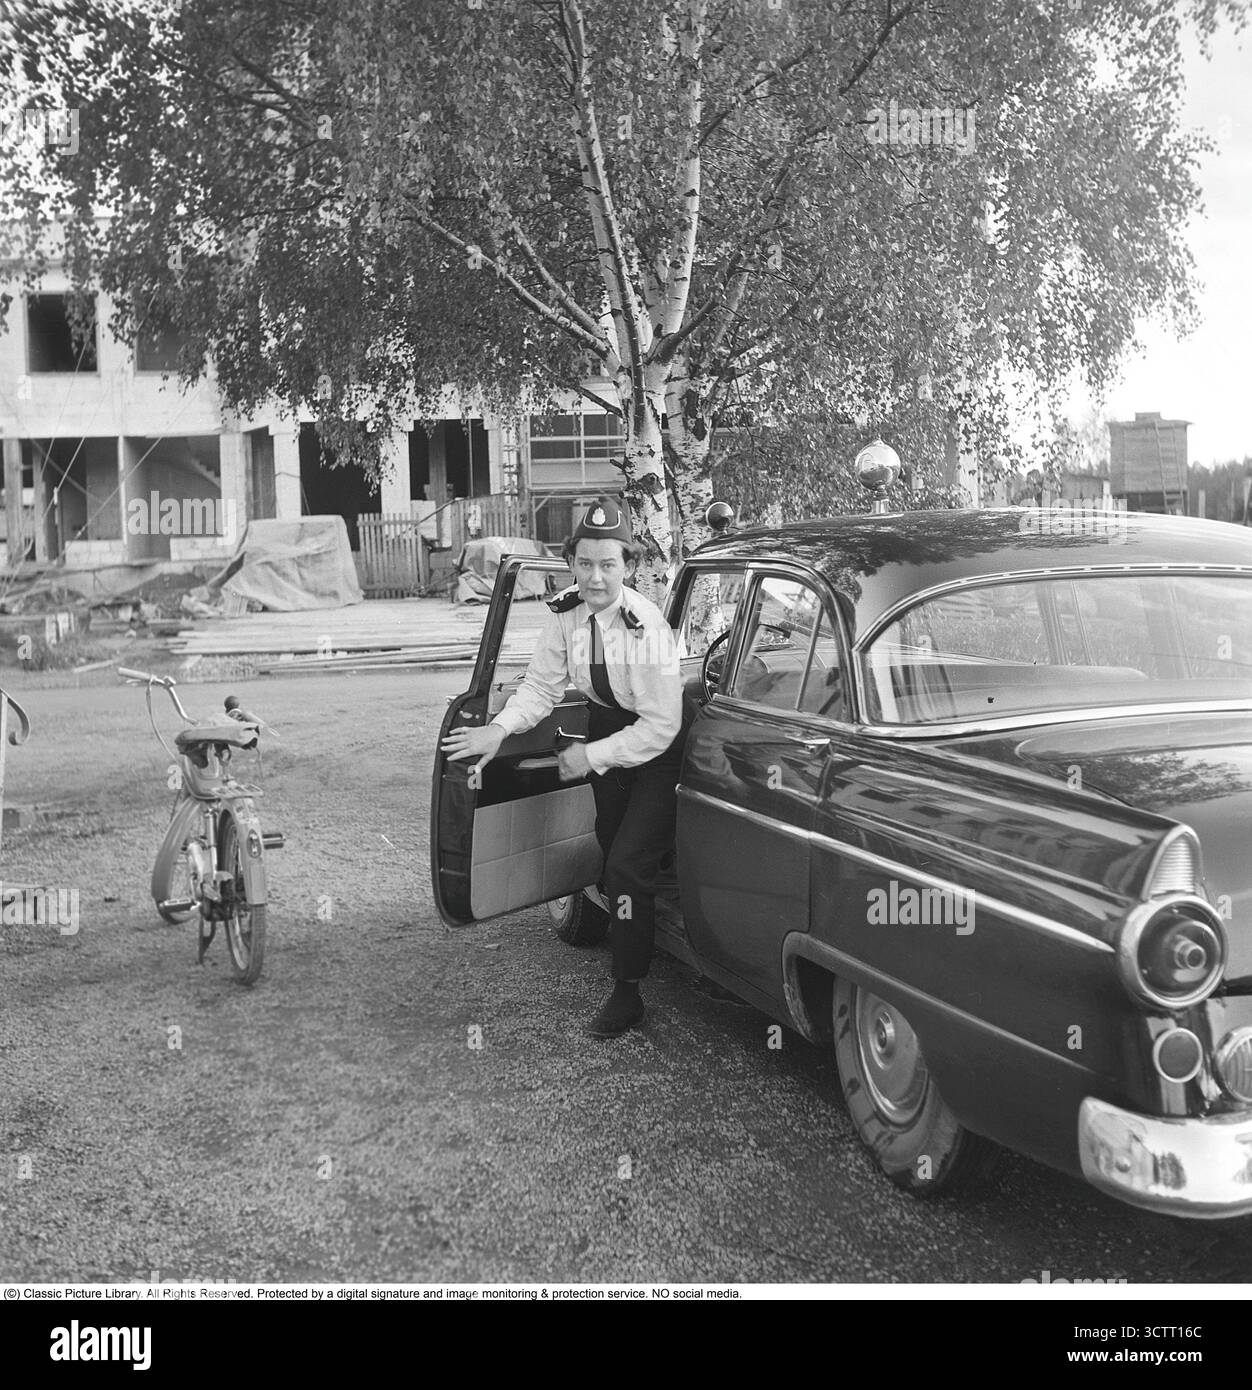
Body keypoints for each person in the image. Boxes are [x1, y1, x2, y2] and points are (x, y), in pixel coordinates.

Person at [440, 496, 687, 1038]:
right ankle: (640, 927)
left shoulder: (648, 628)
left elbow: (662, 727)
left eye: (609, 564)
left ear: (629, 566)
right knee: (608, 847)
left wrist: (589, 756)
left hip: (655, 746)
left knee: (626, 865)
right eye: (585, 563)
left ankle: (628, 993)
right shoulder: (565, 612)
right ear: (571, 562)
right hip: (605, 728)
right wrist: (498, 729)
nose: (595, 578)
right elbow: (541, 687)